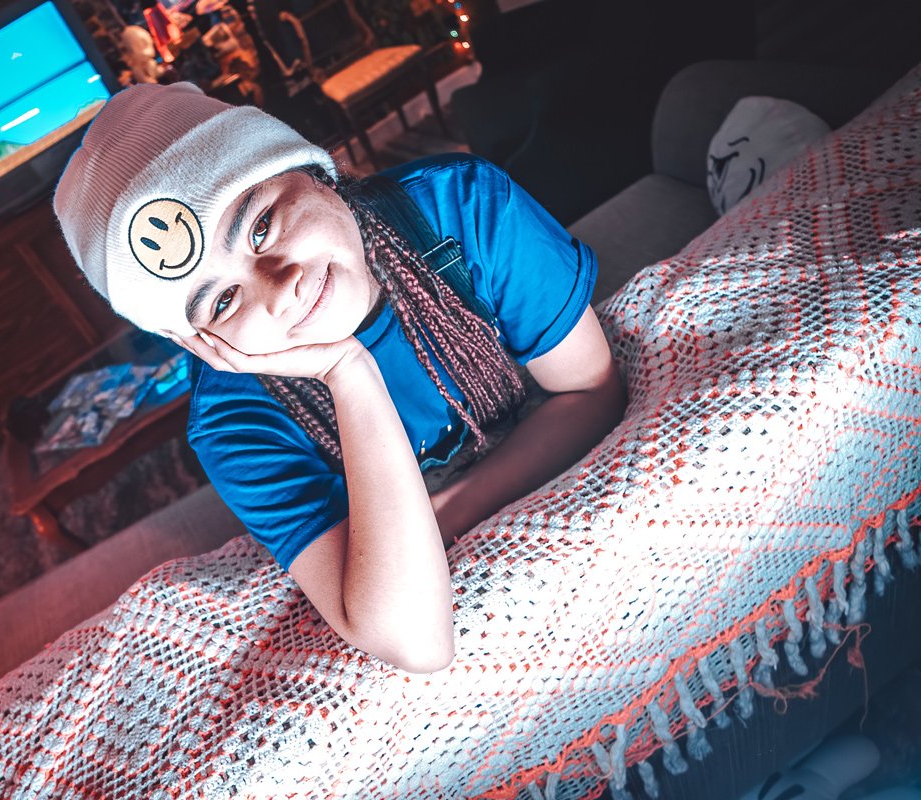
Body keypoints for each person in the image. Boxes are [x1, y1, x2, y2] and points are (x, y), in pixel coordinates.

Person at [53, 81, 628, 674]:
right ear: (200, 341)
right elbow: (415, 641)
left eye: (259, 229)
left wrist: (431, 521)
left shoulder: (463, 207)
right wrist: (347, 370)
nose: (279, 290)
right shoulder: (232, 423)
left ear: (309, 168)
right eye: (222, 302)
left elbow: (591, 390)